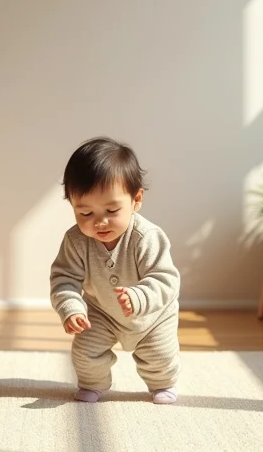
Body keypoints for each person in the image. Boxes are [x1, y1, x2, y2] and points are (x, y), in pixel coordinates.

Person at [49, 137, 181, 404]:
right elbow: (64, 278)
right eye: (85, 213)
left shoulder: (146, 237)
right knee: (85, 351)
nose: (100, 222)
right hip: (101, 312)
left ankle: (163, 384)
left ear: (136, 200)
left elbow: (165, 279)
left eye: (111, 209)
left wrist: (139, 297)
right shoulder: (76, 241)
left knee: (160, 355)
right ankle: (93, 384)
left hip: (153, 316)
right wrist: (72, 308)